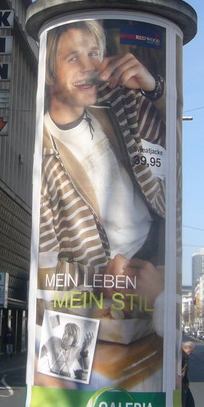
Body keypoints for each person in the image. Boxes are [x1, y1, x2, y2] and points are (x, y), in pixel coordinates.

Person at [39, 20, 165, 291]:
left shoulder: (122, 105)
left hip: (161, 248)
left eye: (94, 54)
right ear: (49, 74)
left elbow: (170, 146)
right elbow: (46, 267)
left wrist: (154, 89)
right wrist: (103, 279)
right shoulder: (43, 151)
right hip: (114, 284)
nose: (90, 68)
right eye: (73, 58)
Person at [181, 341, 198, 407]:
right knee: (189, 401)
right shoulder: (182, 356)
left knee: (189, 400)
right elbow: (181, 370)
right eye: (191, 351)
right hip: (179, 383)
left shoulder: (183, 355)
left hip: (182, 382)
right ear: (187, 348)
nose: (191, 353)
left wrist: (186, 380)